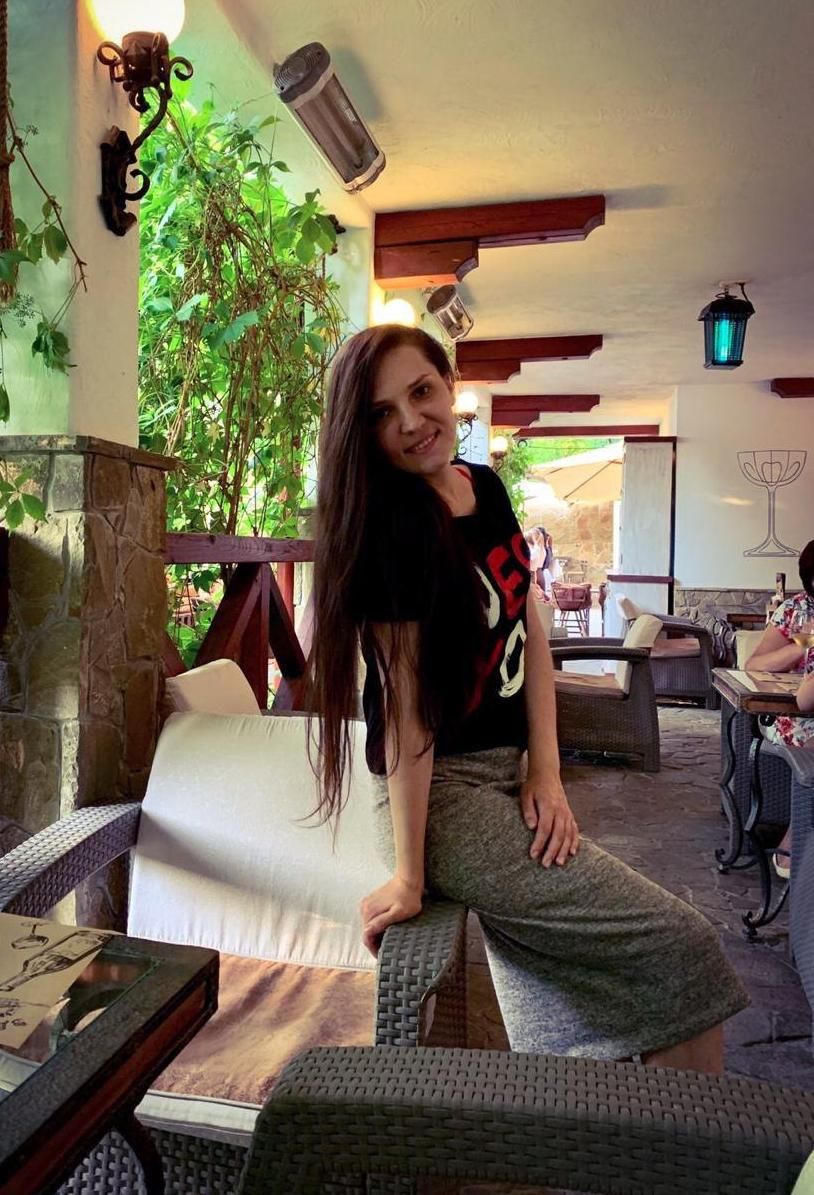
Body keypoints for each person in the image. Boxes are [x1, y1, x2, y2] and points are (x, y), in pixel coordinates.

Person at [306, 324, 748, 1072]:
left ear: (449, 387)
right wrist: (411, 874)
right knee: (682, 945)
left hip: (507, 773)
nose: (410, 421)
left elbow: (530, 631)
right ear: (361, 432)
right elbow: (406, 714)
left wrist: (546, 769)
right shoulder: (390, 532)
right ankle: (694, 1134)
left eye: (421, 392)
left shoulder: (484, 488)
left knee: (556, 986)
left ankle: (577, 1115)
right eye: (382, 413)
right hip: (440, 799)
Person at [746, 539, 814, 877]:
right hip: (795, 716)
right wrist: (804, 644)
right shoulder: (795, 610)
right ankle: (795, 839)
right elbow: (754, 665)